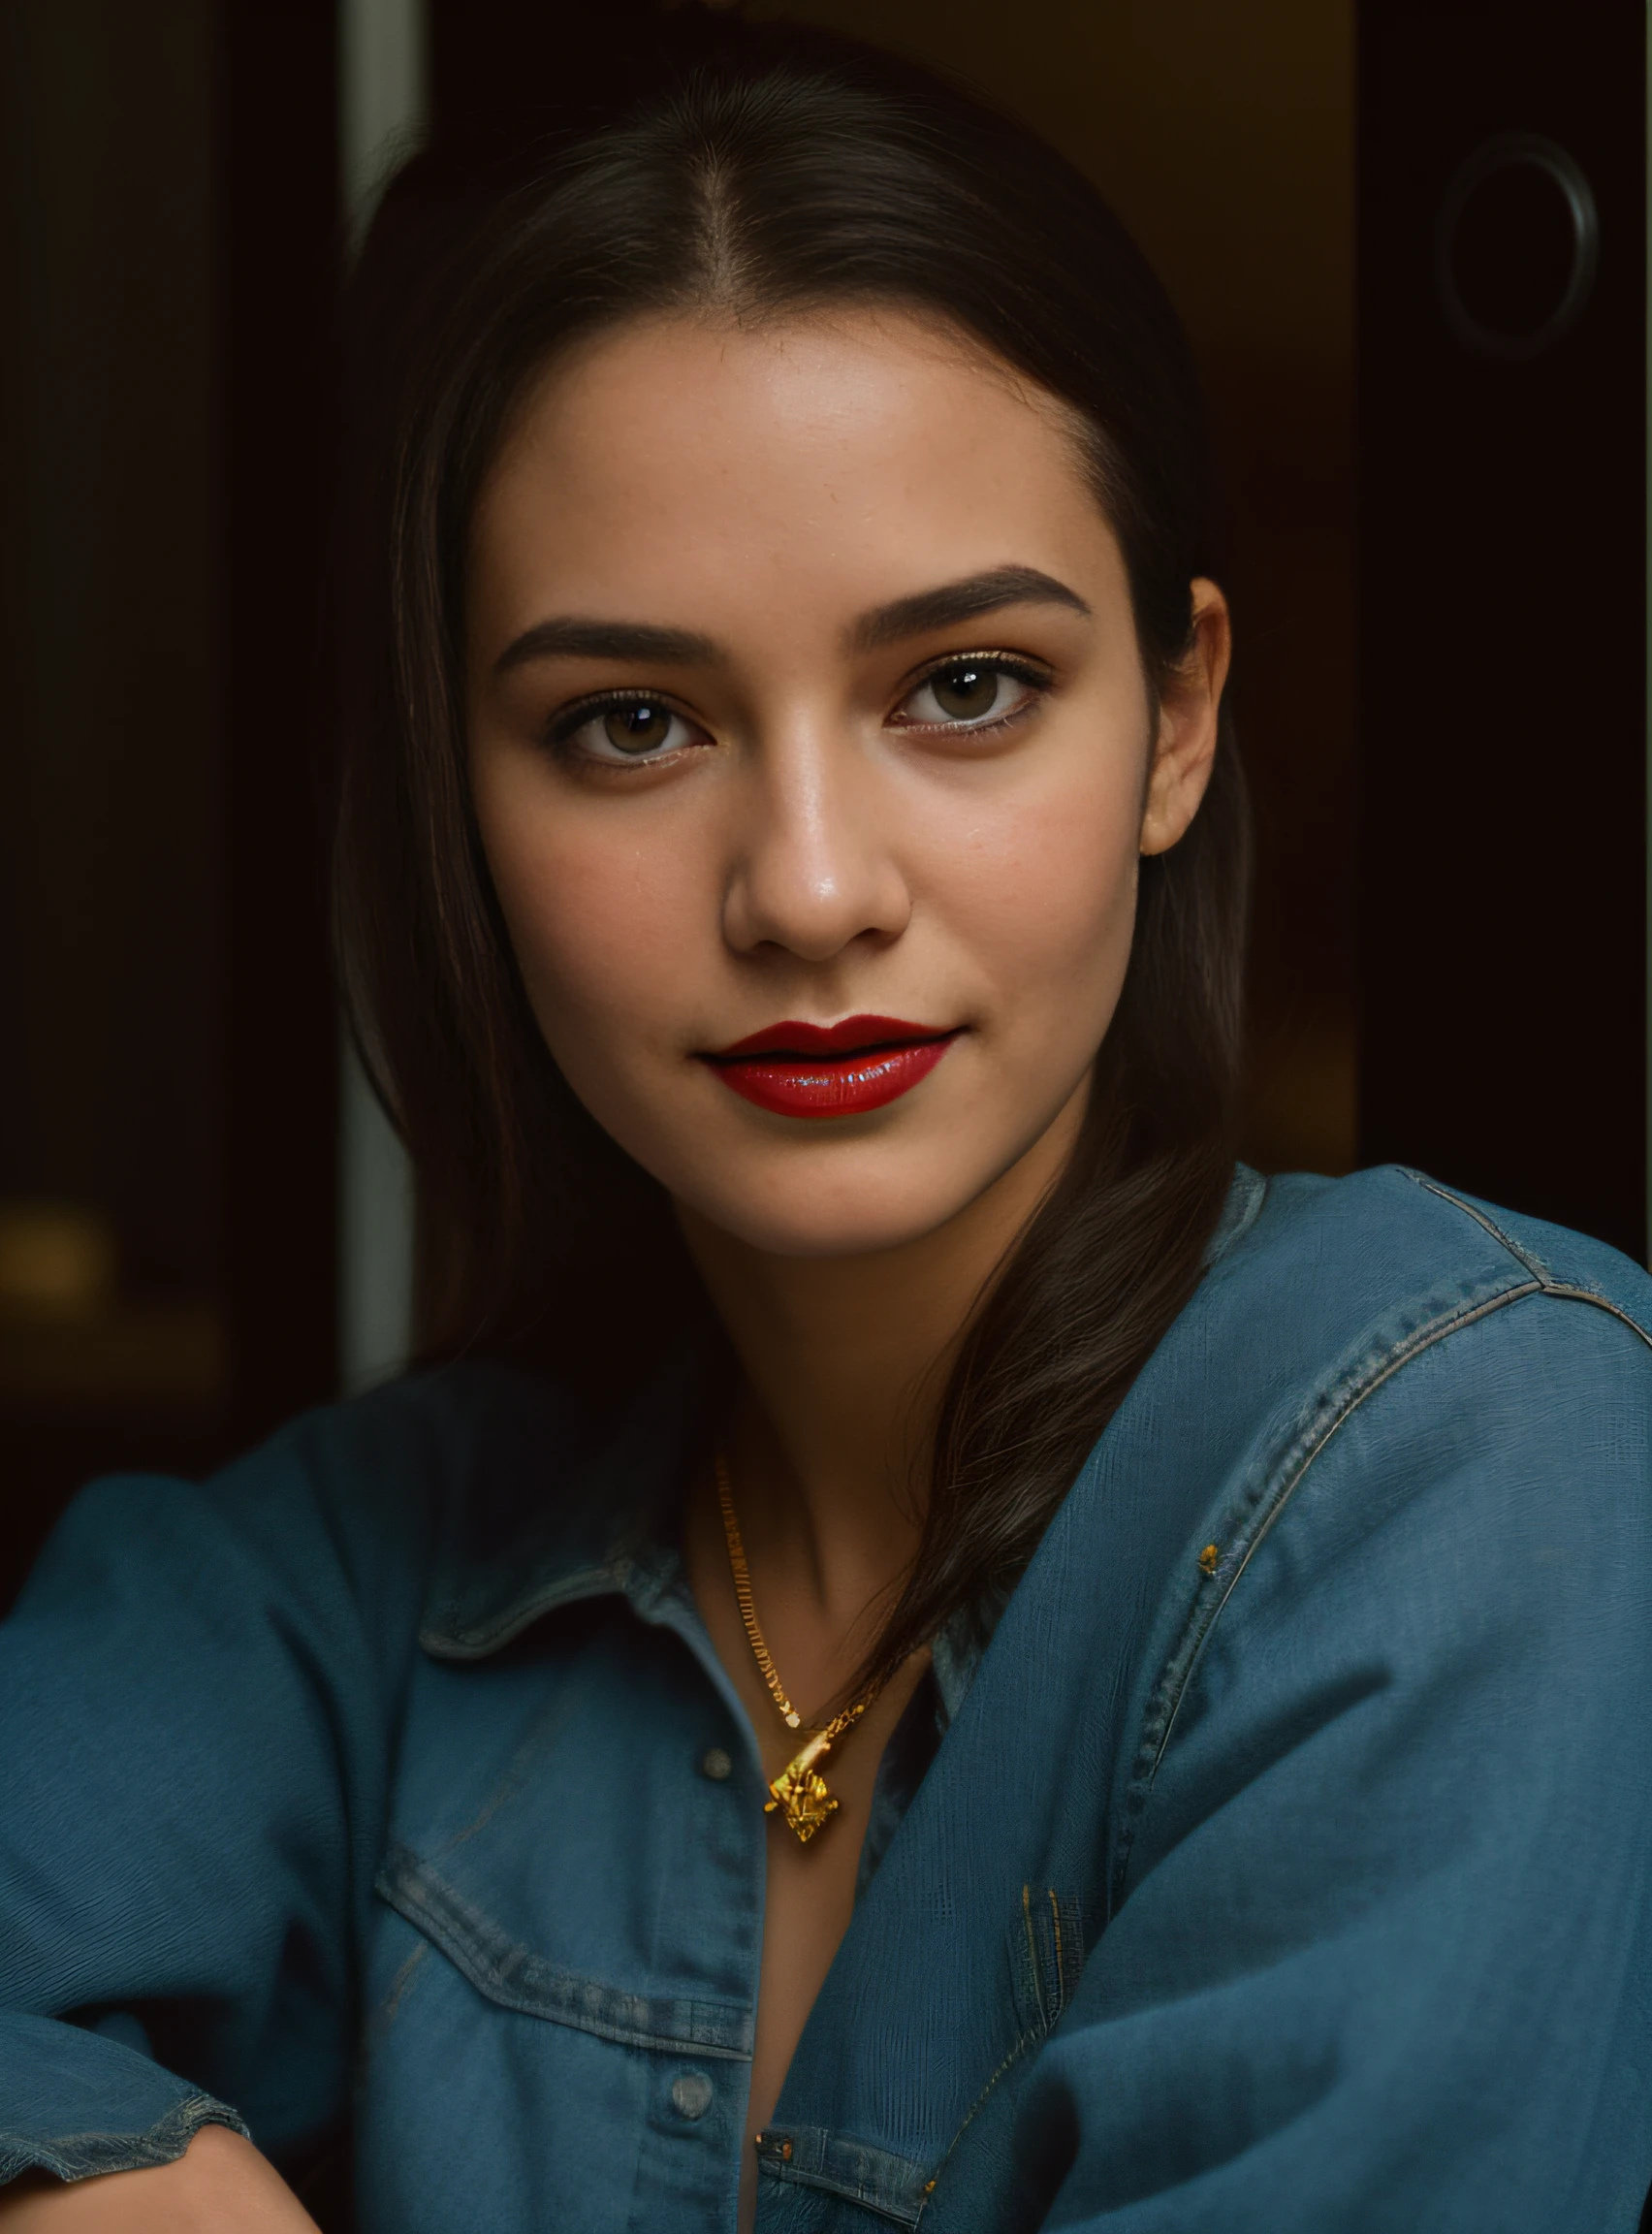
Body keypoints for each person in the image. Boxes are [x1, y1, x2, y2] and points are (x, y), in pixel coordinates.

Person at [4, 16, 1651, 2232]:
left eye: (964, 687)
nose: (806, 887)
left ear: (1175, 726)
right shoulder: (377, 1563)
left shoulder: (1476, 1449)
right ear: (454, 806)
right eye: (630, 722)